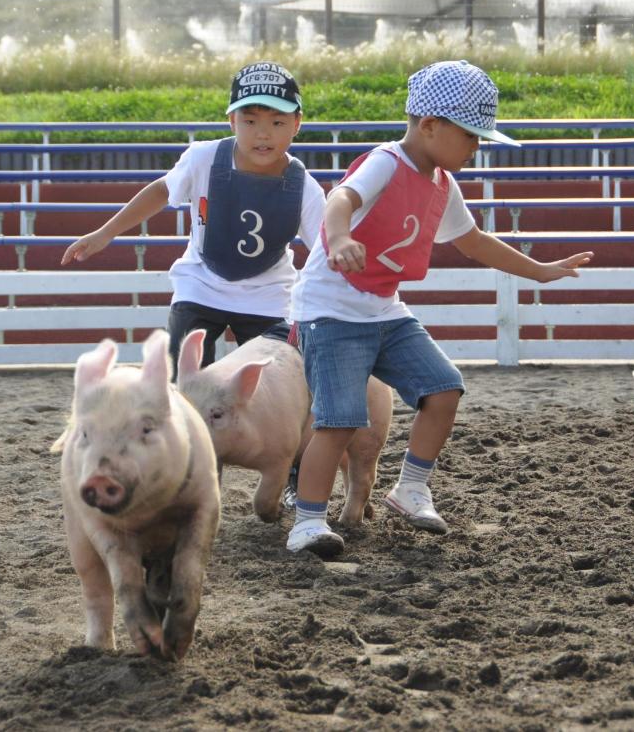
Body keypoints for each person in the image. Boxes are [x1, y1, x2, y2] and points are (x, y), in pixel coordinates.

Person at [286, 60, 594, 557]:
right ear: (430, 126)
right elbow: (340, 198)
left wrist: (539, 270)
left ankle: (410, 489)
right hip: (330, 310)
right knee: (339, 421)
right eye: (472, 137)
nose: (476, 149)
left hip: (383, 309)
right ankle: (308, 522)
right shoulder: (386, 161)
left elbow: (472, 241)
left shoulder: (441, 183)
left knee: (443, 387)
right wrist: (339, 236)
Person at [60, 61, 325, 376]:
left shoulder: (304, 187)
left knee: (281, 378)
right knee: (181, 375)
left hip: (268, 296)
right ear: (231, 121)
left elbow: (326, 247)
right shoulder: (203, 158)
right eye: (250, 120)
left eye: (278, 122)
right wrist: (105, 233)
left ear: (297, 124)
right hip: (200, 286)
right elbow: (162, 190)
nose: (263, 133)